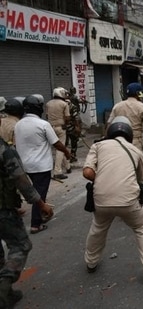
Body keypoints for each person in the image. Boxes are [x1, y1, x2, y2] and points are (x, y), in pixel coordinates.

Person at [83, 116, 143, 285]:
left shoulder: (98, 146)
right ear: (129, 134)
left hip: (101, 200)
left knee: (98, 228)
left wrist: (102, 180)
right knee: (141, 228)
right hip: (128, 201)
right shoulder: (136, 151)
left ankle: (91, 262)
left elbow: (87, 173)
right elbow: (141, 182)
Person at [0, 127, 54, 308]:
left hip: (6, 206)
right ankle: (4, 285)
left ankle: (7, 293)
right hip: (2, 211)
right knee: (21, 245)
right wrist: (41, 204)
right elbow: (21, 181)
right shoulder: (5, 151)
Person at [14, 95, 71, 234]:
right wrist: (67, 152)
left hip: (24, 165)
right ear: (38, 108)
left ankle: (37, 215)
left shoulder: (18, 124)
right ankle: (36, 224)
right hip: (40, 165)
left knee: (32, 192)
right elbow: (56, 143)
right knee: (39, 194)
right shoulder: (43, 124)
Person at [107, 82, 143, 159]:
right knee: (139, 167)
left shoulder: (117, 106)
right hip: (135, 142)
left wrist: (107, 141)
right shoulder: (142, 107)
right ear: (138, 93)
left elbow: (109, 125)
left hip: (119, 143)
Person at [45, 87, 72, 179]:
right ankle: (57, 171)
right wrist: (66, 124)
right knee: (60, 149)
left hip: (50, 128)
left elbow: (47, 115)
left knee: (60, 146)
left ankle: (68, 166)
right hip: (60, 128)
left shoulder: (48, 103)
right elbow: (67, 117)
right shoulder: (64, 104)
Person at [66, 87, 82, 162]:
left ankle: (65, 157)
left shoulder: (59, 104)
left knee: (64, 143)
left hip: (62, 127)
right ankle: (72, 155)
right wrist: (77, 127)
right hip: (71, 126)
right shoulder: (71, 105)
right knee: (74, 140)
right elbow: (76, 118)